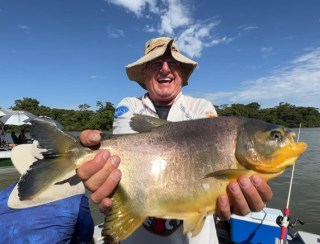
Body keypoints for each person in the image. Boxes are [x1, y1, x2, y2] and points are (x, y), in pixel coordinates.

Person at [77, 37, 273, 243]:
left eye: (173, 63)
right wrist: (87, 154)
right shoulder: (129, 106)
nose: (165, 69)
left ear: (181, 72)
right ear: (144, 71)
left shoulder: (201, 108)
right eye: (156, 62)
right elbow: (125, 153)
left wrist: (235, 191)